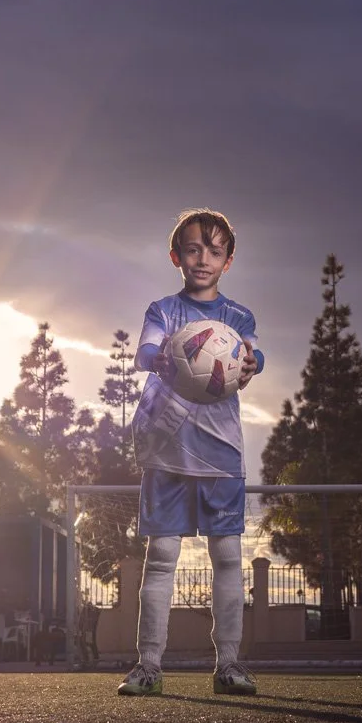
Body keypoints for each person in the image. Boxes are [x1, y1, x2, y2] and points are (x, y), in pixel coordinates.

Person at [118, 208, 264, 697]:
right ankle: (148, 666)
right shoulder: (162, 310)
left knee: (227, 556)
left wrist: (252, 362)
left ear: (228, 260)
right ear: (175, 255)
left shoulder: (238, 316)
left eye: (215, 250)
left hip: (221, 452)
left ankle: (229, 666)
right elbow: (145, 351)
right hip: (167, 447)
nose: (204, 258)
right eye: (194, 248)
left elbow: (253, 352)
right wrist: (156, 358)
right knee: (160, 556)